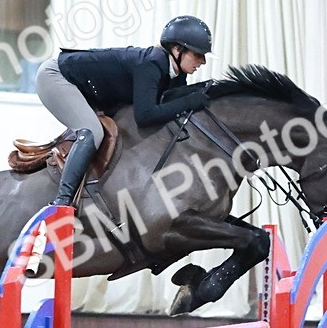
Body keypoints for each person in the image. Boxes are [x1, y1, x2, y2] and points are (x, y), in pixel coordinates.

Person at [36, 15, 213, 207]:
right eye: (197, 54)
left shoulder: (176, 74)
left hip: (83, 87)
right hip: (56, 77)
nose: (202, 61)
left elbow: (170, 103)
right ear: (177, 49)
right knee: (92, 131)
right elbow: (145, 116)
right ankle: (62, 202)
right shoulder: (151, 63)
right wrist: (190, 101)